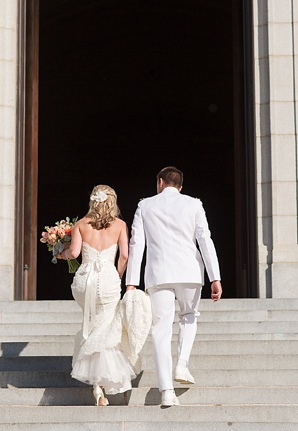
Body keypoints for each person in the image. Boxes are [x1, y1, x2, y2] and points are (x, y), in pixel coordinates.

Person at [126, 166, 223, 408]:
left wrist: (131, 282)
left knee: (160, 329)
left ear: (160, 182)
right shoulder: (194, 204)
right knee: (189, 316)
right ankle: (182, 363)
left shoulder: (145, 205)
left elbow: (136, 243)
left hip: (159, 273)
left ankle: (167, 391)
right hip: (189, 271)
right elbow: (205, 239)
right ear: (180, 186)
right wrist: (215, 277)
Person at [58, 185, 144, 406]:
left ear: (92, 201)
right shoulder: (120, 225)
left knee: (95, 324)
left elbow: (75, 253)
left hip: (84, 280)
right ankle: (100, 383)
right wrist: (118, 275)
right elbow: (124, 255)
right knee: (104, 327)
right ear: (112, 202)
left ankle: (97, 384)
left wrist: (61, 253)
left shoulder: (80, 225)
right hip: (107, 279)